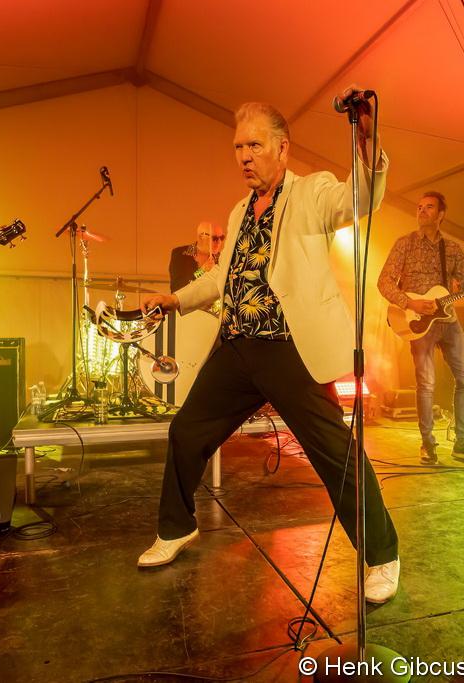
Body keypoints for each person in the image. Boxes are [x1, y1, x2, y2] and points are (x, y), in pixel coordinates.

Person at [137, 92, 401, 603]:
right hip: (238, 348)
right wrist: (175, 299)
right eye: (238, 147)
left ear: (282, 148)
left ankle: (382, 553)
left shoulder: (312, 191)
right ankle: (176, 527)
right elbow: (220, 277)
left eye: (254, 145)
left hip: (290, 349)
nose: (244, 156)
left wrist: (367, 144)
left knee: (336, 454)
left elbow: (361, 198)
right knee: (186, 431)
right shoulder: (239, 211)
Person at [377, 191, 464, 466]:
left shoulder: (452, 249)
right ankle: (428, 444)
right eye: (419, 207)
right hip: (417, 323)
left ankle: (463, 444)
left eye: (429, 207)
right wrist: (410, 302)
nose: (421, 211)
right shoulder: (405, 244)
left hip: (448, 320)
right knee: (426, 384)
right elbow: (384, 282)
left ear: (441, 215)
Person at [168, 221, 226, 292]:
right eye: (214, 238)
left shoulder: (222, 259)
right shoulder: (180, 254)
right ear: (201, 237)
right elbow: (177, 287)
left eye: (222, 238)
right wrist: (201, 271)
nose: (219, 242)